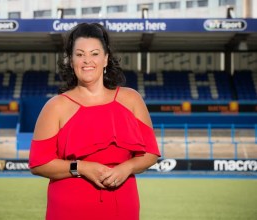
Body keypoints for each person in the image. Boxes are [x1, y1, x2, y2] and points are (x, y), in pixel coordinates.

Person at [29, 22, 160, 220]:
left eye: (95, 53)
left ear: (106, 59)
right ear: (71, 61)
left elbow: (150, 153)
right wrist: (81, 167)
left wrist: (127, 168)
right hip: (68, 210)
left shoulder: (131, 99)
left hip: (122, 207)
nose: (87, 60)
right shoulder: (55, 106)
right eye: (80, 54)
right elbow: (38, 163)